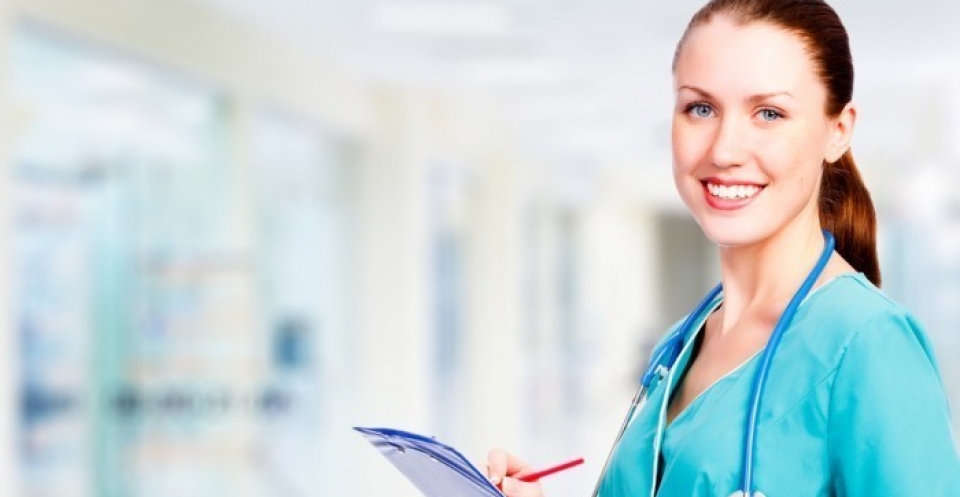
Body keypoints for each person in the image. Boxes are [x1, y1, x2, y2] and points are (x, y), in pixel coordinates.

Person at [486, 0, 960, 496]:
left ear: (837, 131)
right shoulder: (682, 342)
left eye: (769, 113)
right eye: (701, 108)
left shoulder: (870, 345)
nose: (724, 150)